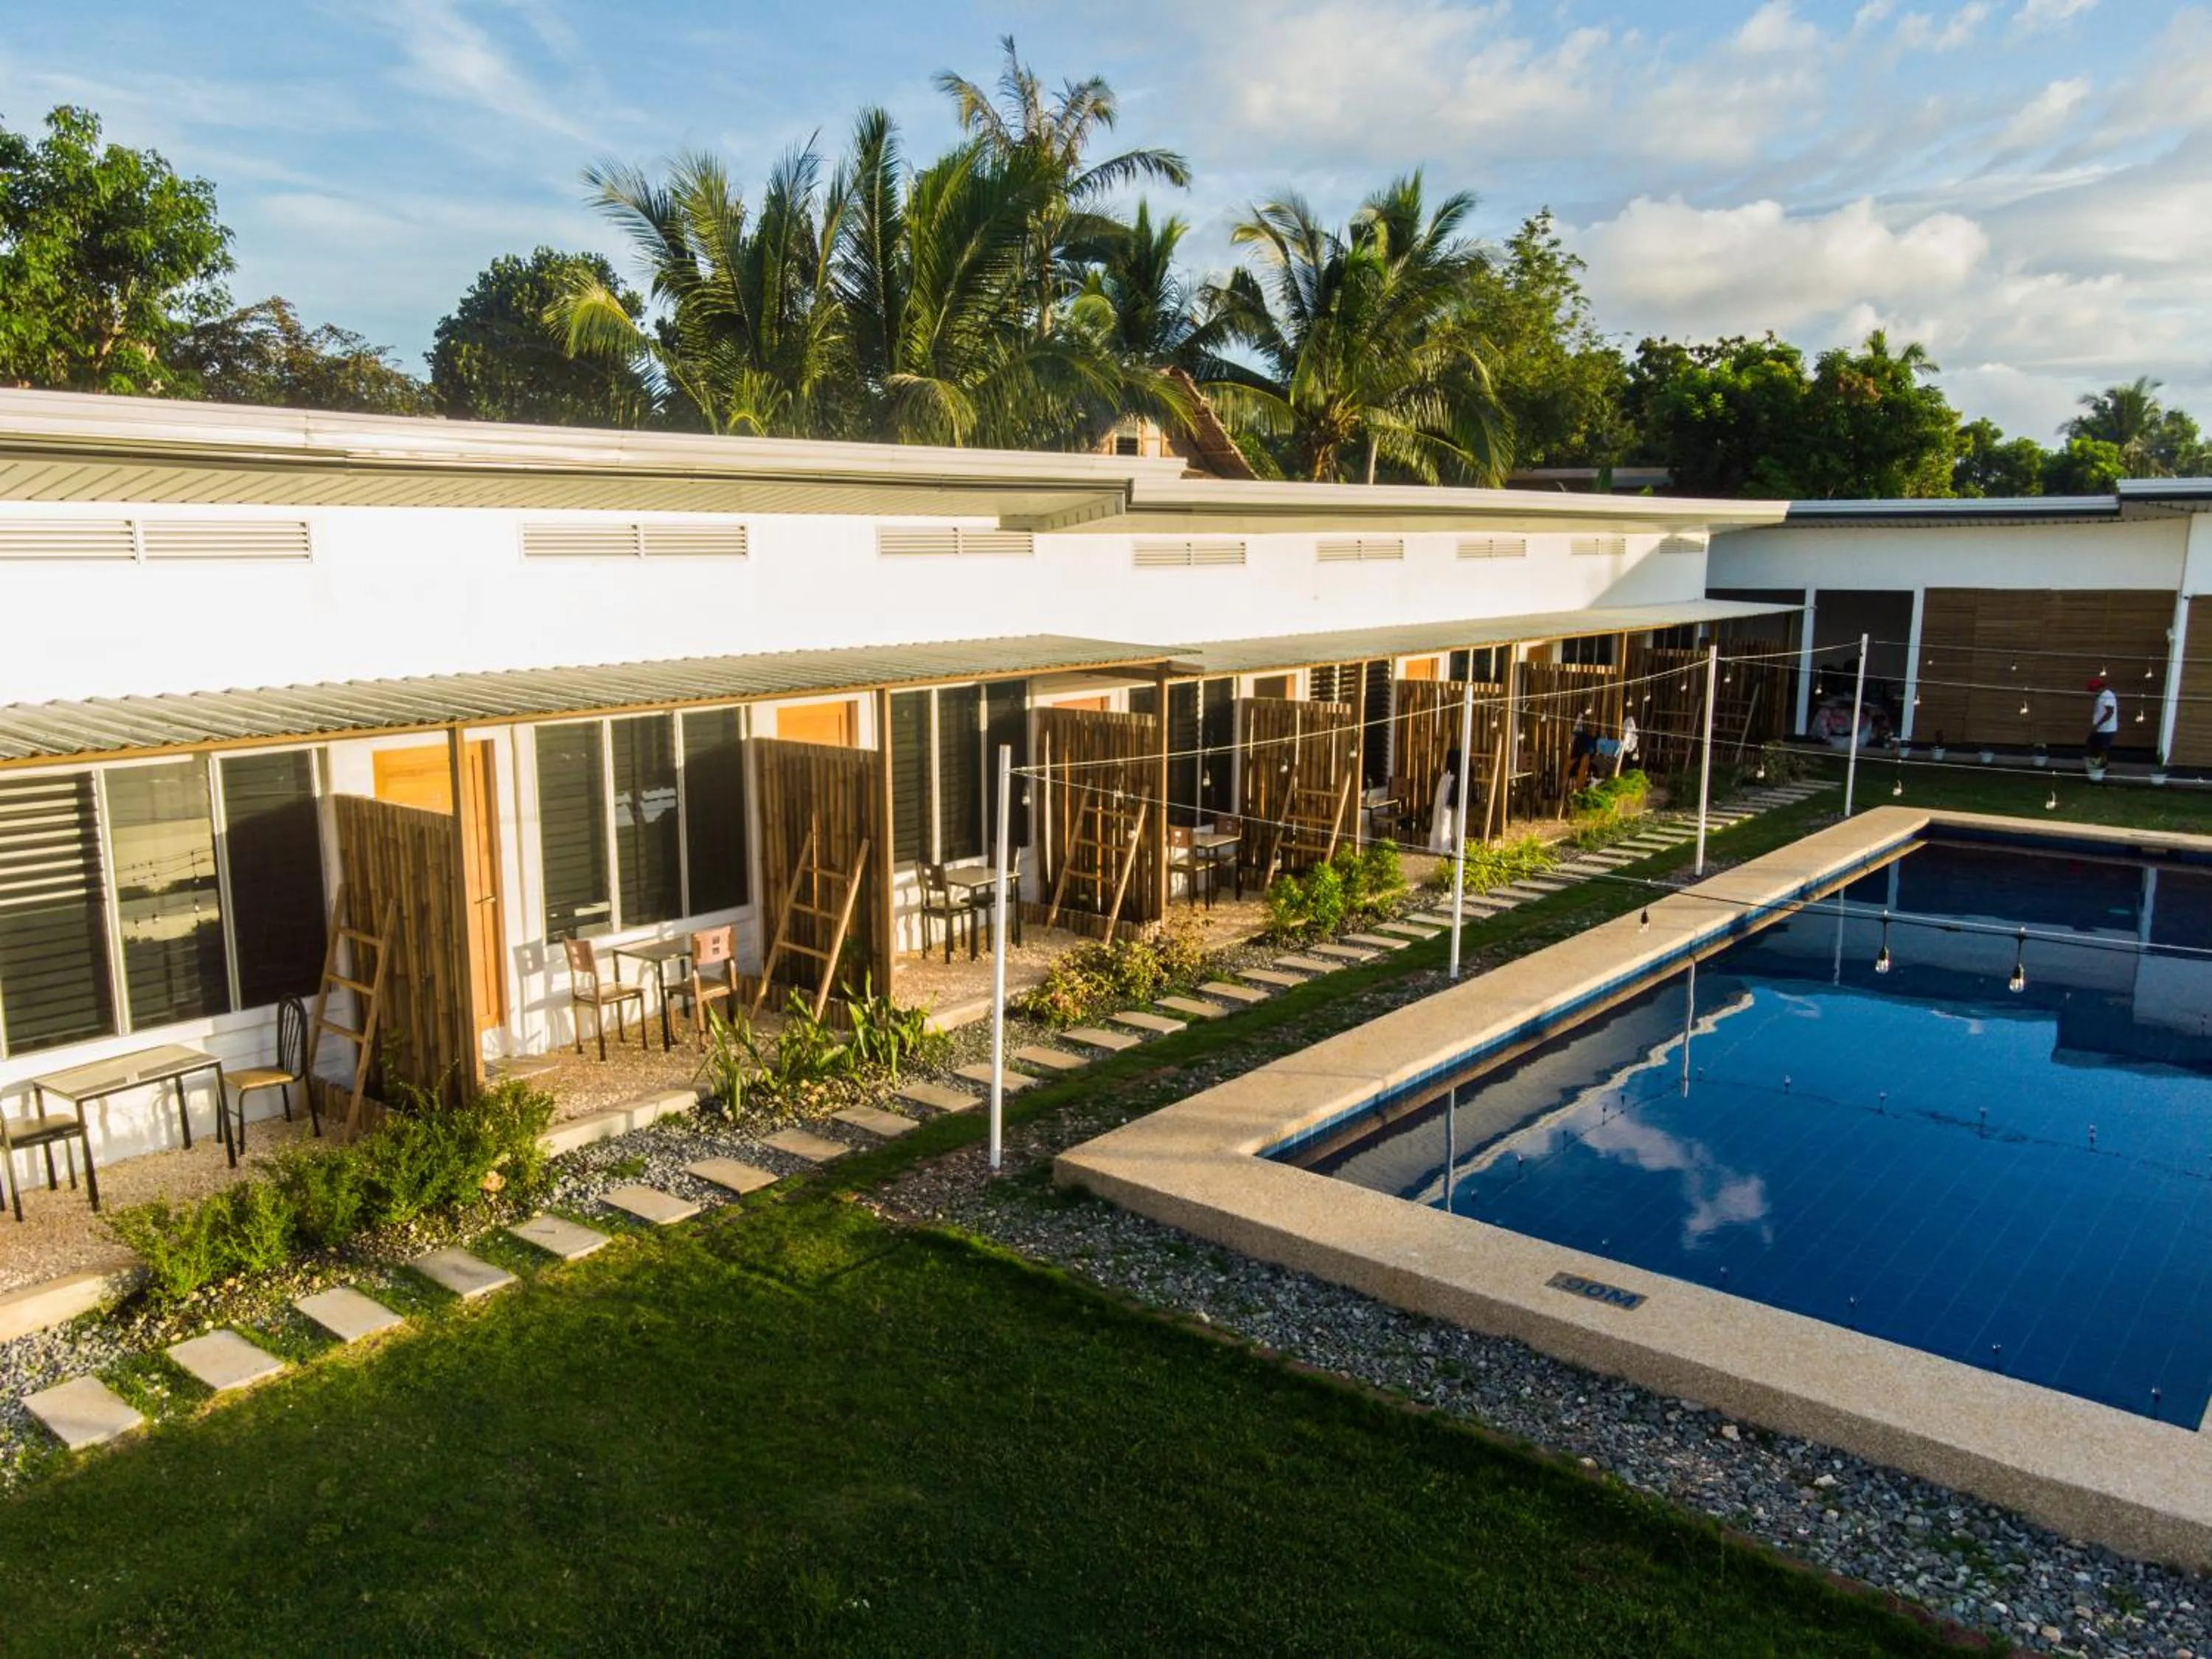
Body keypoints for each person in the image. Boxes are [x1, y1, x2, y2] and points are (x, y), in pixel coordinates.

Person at [1428, 745, 1462, 852]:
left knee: (1446, 821)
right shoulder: (1451, 778)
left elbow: (1441, 797)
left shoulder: (1446, 779)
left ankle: (1446, 845)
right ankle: (1446, 845)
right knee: (1449, 821)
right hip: (1451, 800)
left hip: (1447, 800)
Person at [2086, 675, 2119, 778]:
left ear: (2099, 688)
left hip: (2106, 729)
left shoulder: (2107, 695)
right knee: (2092, 743)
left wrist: (2098, 725)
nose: (2093, 693)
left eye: (2094, 690)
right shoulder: (2101, 696)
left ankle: (2101, 767)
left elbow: (2110, 712)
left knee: (2102, 749)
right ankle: (2098, 763)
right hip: (2100, 728)